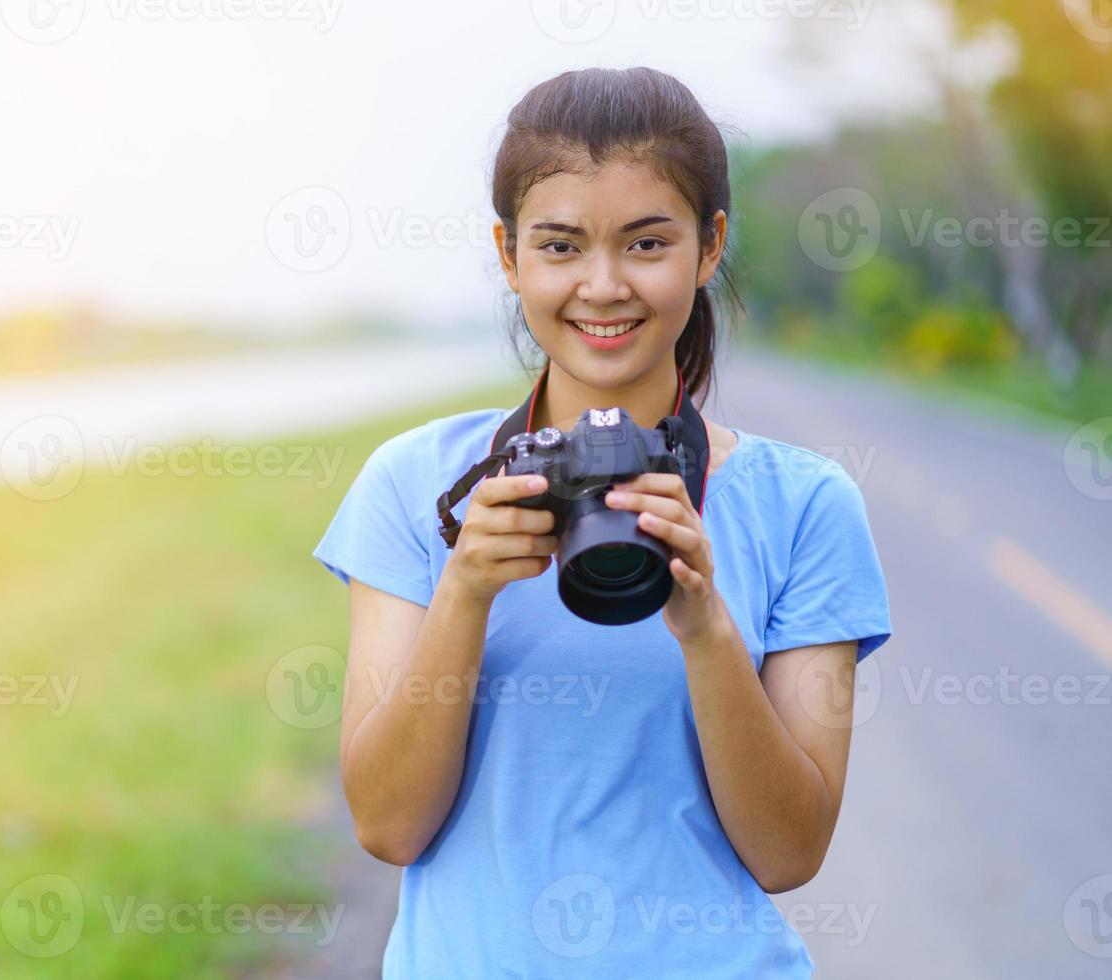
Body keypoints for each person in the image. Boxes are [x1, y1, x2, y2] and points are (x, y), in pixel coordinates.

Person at [311, 65, 892, 977]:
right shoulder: (419, 484)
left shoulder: (807, 503)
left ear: (710, 248)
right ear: (509, 257)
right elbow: (387, 825)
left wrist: (703, 623)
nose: (604, 285)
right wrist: (464, 591)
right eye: (560, 246)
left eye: (647, 243)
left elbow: (788, 853)